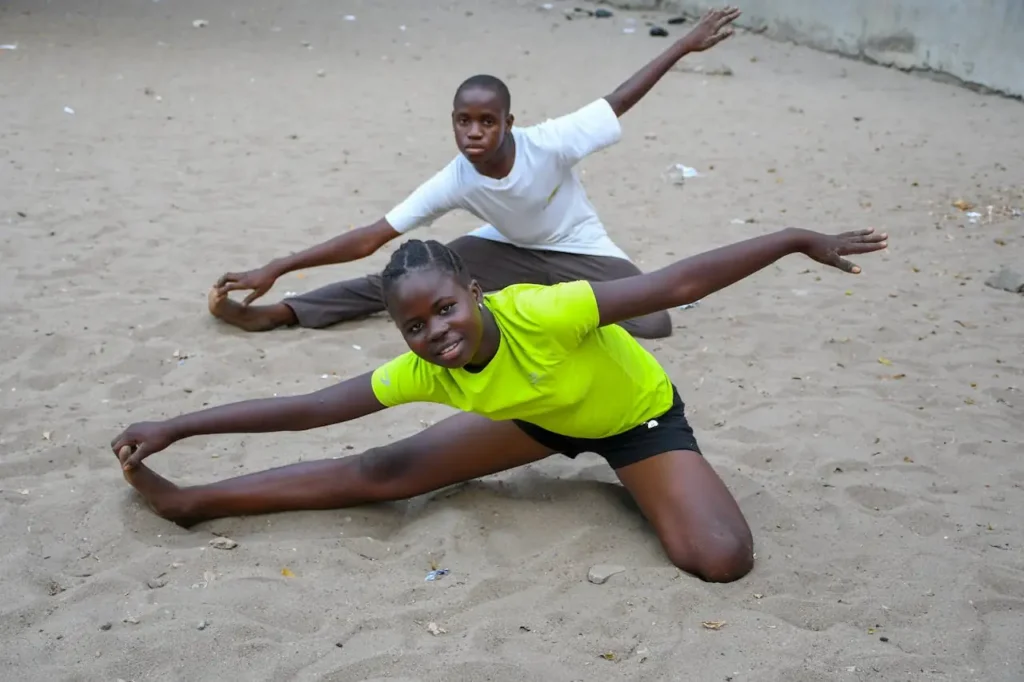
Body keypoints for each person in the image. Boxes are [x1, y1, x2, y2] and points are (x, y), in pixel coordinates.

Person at [112, 226, 888, 583]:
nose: (435, 333)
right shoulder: (431, 368)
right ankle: (194, 504)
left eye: (445, 310)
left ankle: (633, 484)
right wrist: (179, 425)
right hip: (539, 423)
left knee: (719, 560)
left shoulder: (542, 313)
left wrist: (791, 239)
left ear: (473, 293)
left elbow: (677, 285)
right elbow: (316, 406)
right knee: (383, 471)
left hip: (636, 422)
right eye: (414, 326)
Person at [206, 7, 744, 341]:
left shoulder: (550, 142)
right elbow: (372, 236)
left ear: (510, 122)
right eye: (464, 121)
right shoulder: (457, 178)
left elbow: (618, 100)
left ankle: (519, 302)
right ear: (454, 124)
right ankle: (282, 316)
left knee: (654, 322)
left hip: (581, 251)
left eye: (487, 121)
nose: (474, 132)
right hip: (504, 250)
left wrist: (681, 45)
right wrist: (278, 266)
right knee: (401, 282)